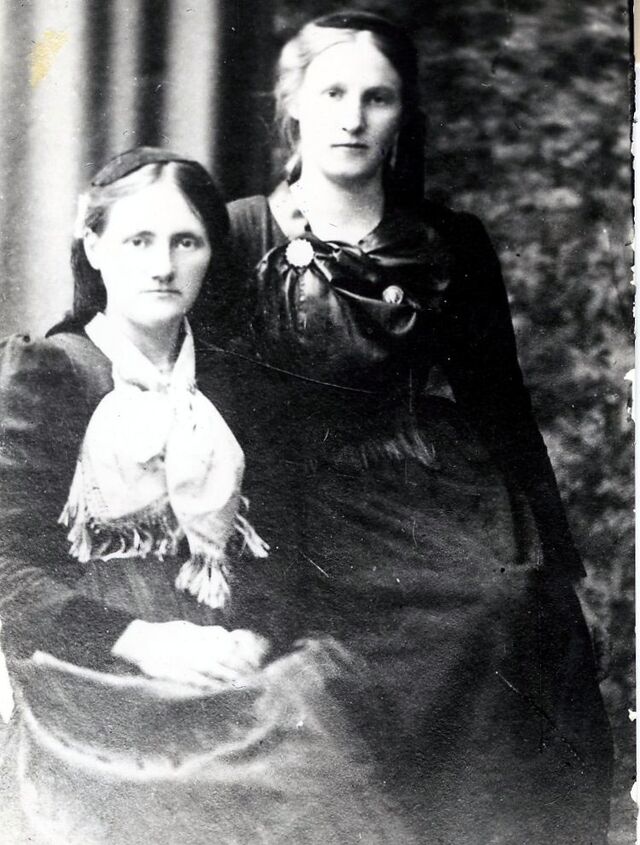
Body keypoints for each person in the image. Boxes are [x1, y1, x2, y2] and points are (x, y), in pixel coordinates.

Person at [198, 10, 614, 844]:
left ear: (402, 115)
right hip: (284, 497)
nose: (352, 118)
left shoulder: (450, 242)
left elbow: (500, 402)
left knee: (503, 609)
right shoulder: (239, 234)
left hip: (423, 483)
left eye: (377, 98)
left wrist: (559, 562)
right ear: (292, 104)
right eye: (333, 94)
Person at [0, 147, 414, 845]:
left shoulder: (238, 385)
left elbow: (286, 546)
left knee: (310, 722)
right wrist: (139, 641)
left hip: (229, 657)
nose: (163, 265)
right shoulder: (48, 375)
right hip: (93, 672)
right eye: (138, 241)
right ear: (95, 248)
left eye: (185, 242)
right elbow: (5, 569)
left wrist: (255, 635)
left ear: (210, 254)